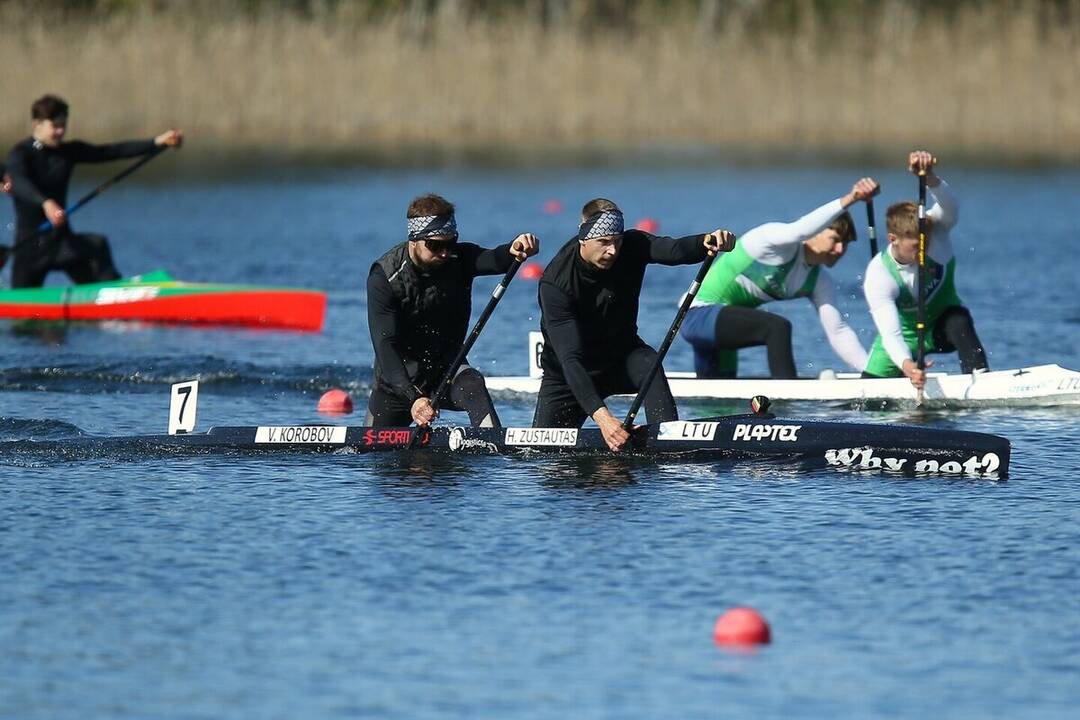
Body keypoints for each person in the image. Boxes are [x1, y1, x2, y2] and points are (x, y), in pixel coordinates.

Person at [534, 198, 735, 451]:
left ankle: (670, 445)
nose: (613, 251)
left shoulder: (633, 245)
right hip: (570, 377)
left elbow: (672, 249)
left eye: (617, 241)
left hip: (621, 359)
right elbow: (570, 360)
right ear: (583, 238)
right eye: (604, 242)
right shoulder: (556, 282)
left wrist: (706, 241)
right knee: (541, 458)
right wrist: (605, 421)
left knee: (648, 363)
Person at [367, 193, 539, 428]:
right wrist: (413, 398)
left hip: (448, 370)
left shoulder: (459, 258)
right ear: (414, 239)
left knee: (473, 384)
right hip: (398, 383)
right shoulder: (384, 276)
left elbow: (495, 259)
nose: (445, 253)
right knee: (370, 457)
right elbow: (385, 345)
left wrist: (515, 248)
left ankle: (494, 453)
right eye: (436, 245)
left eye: (451, 243)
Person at [679, 178, 879, 379]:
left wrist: (871, 373)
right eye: (835, 240)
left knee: (715, 400)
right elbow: (800, 229)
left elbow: (838, 332)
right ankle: (788, 398)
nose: (840, 250)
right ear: (814, 232)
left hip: (723, 328)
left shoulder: (819, 281)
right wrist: (851, 199)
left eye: (846, 244)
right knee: (777, 327)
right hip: (696, 315)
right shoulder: (774, 243)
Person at [4, 94, 183, 288]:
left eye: (63, 125)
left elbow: (111, 152)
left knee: (96, 245)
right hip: (31, 248)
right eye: (54, 126)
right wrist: (46, 203)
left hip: (63, 244)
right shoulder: (20, 154)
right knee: (22, 310)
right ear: (36, 124)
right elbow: (18, 182)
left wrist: (157, 142)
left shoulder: (68, 151)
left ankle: (114, 296)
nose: (60, 131)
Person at [862, 151, 988, 389]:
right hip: (905, 337)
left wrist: (929, 176)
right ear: (893, 239)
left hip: (943, 327)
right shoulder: (879, 275)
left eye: (925, 242)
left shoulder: (934, 229)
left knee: (959, 319)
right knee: (865, 398)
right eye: (914, 244)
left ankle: (980, 380)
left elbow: (951, 206)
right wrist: (908, 367)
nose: (923, 249)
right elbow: (891, 336)